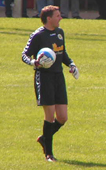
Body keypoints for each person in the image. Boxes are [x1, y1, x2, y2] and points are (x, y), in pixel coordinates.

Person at [22, 5, 79, 162]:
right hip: (44, 77)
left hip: (58, 77)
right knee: (50, 115)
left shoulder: (60, 33)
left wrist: (72, 65)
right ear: (49, 19)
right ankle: (49, 154)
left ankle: (44, 138)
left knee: (62, 117)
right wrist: (34, 62)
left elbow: (62, 52)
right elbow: (24, 55)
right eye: (58, 15)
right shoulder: (37, 35)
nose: (61, 18)